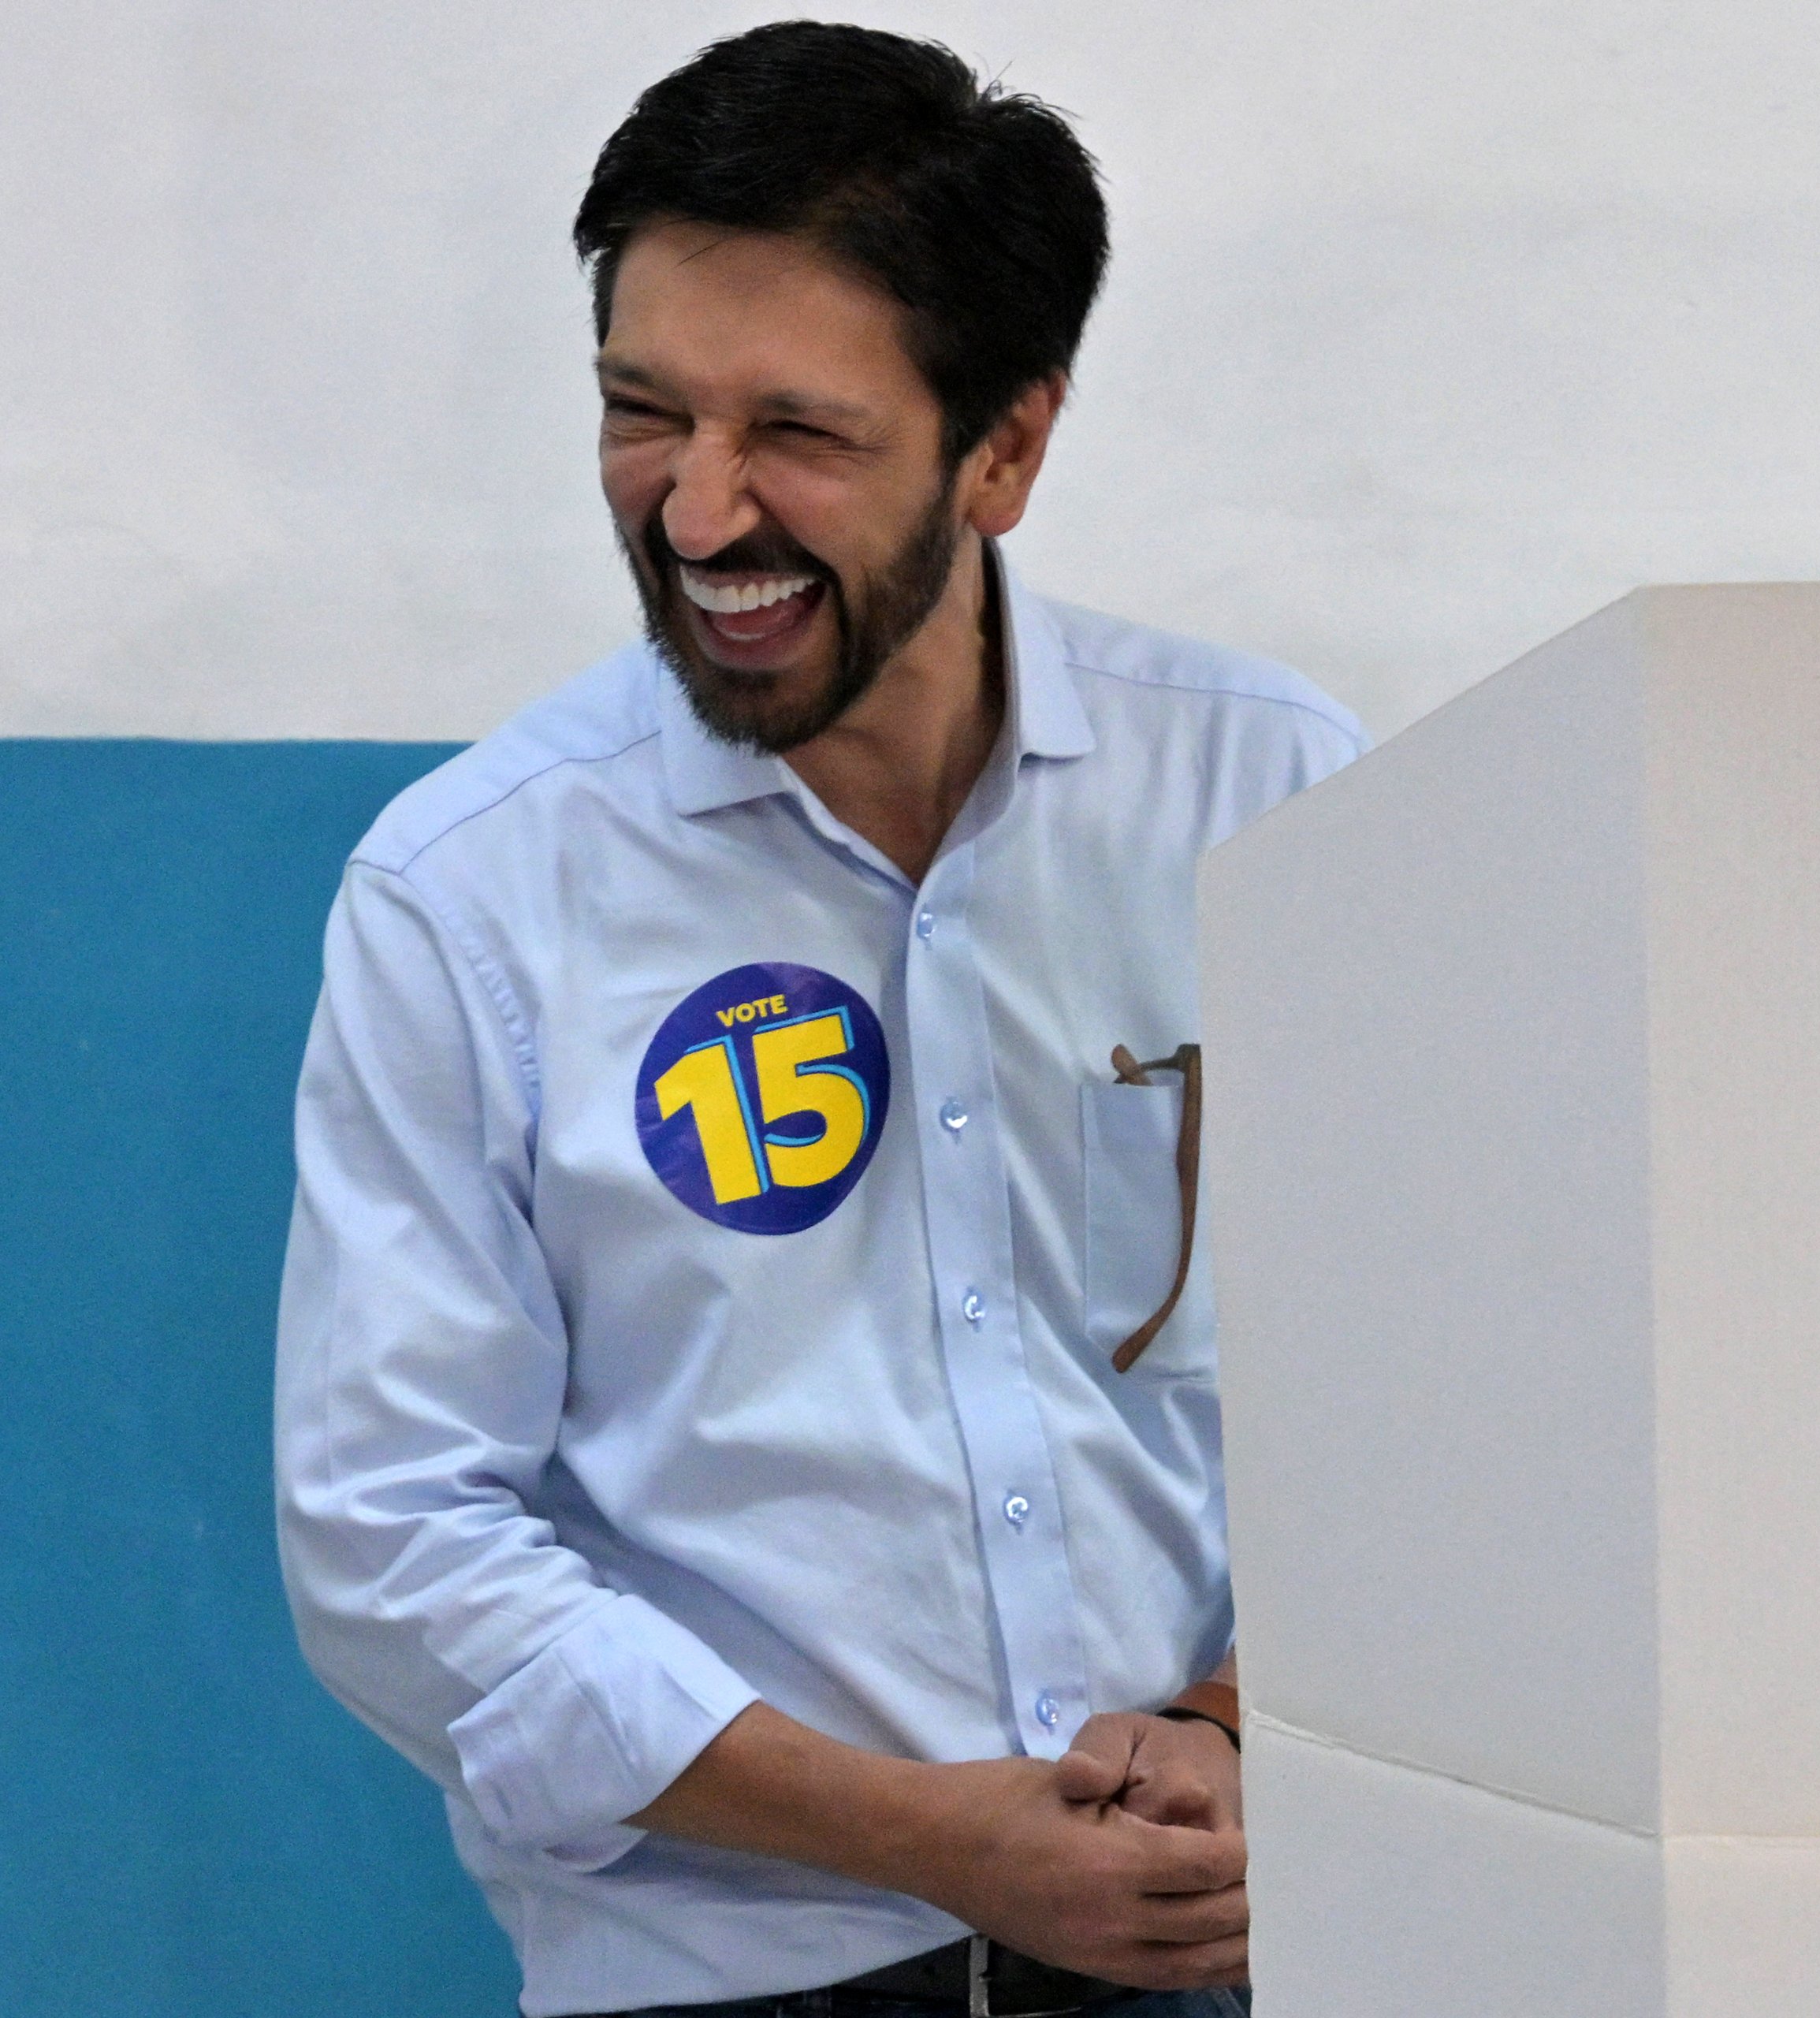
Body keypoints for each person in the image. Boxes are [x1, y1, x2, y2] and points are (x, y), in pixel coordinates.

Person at [274, 23, 1362, 2016]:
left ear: (1006, 447)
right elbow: (394, 1540)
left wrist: (1230, 1718)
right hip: (727, 1974)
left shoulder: (1282, 807)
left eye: (798, 433)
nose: (696, 515)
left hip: (1251, 1943)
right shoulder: (469, 890)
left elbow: (1451, 1374)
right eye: (641, 412)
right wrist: (931, 1835)